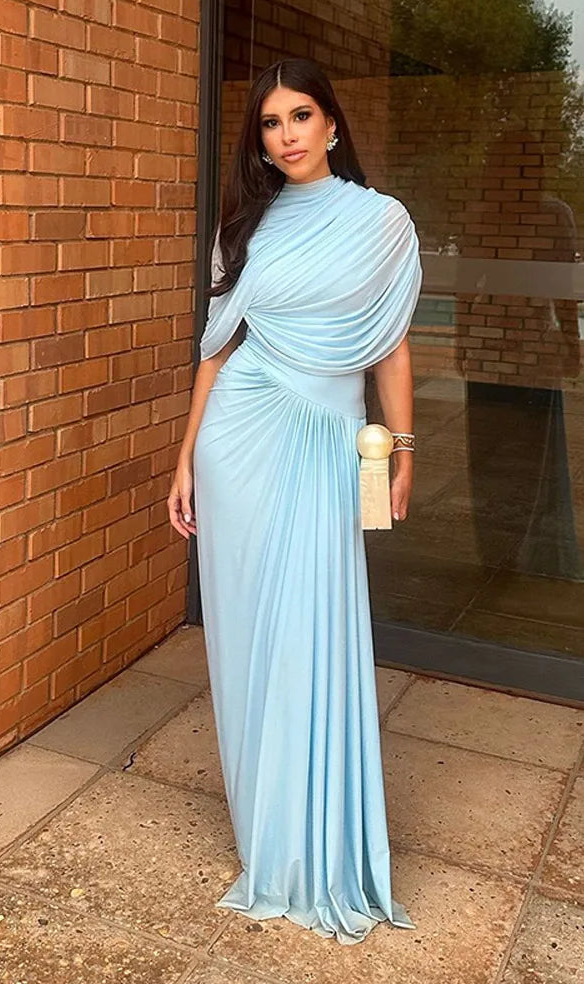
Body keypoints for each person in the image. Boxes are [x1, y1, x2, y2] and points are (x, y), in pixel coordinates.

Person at [167, 58, 423, 945]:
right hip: (240, 437)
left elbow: (391, 350)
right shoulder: (246, 226)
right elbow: (217, 349)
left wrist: (402, 449)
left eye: (302, 115)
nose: (287, 135)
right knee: (247, 634)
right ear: (261, 141)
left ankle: (317, 833)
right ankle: (269, 832)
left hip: (326, 442)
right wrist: (186, 457)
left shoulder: (383, 222)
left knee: (314, 624)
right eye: (271, 123)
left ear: (332, 124)